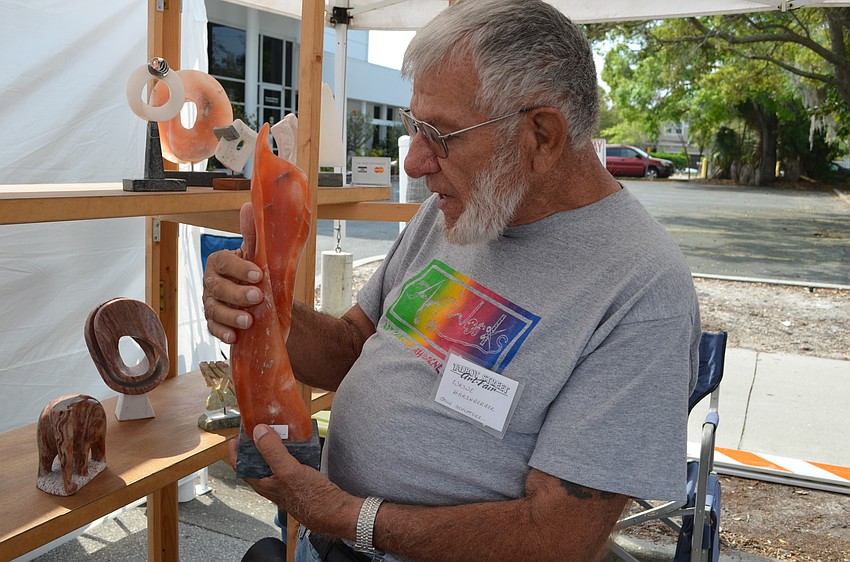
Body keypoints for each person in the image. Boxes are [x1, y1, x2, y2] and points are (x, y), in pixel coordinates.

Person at [203, 0, 701, 560]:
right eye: (414, 127)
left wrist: (344, 515)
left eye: (440, 135)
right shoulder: (458, 210)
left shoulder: (642, 287)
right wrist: (263, 312)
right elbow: (351, 349)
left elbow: (558, 537)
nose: (413, 163)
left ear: (541, 135)